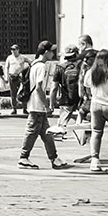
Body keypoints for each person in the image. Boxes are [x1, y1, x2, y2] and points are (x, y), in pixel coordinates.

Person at [17, 41, 68, 169]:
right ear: (46, 52)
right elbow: (39, 88)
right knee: (31, 132)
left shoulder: (34, 64)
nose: (53, 53)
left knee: (47, 134)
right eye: (51, 51)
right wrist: (46, 104)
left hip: (36, 105)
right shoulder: (41, 67)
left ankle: (54, 158)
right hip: (37, 105)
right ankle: (23, 157)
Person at [4, 45, 27, 114]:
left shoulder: (22, 57)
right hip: (12, 76)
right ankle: (14, 108)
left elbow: (30, 62)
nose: (13, 51)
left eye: (14, 50)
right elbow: (6, 67)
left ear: (18, 50)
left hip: (20, 76)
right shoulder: (9, 58)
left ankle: (24, 108)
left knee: (23, 92)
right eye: (12, 50)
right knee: (13, 93)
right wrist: (6, 77)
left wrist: (25, 70)